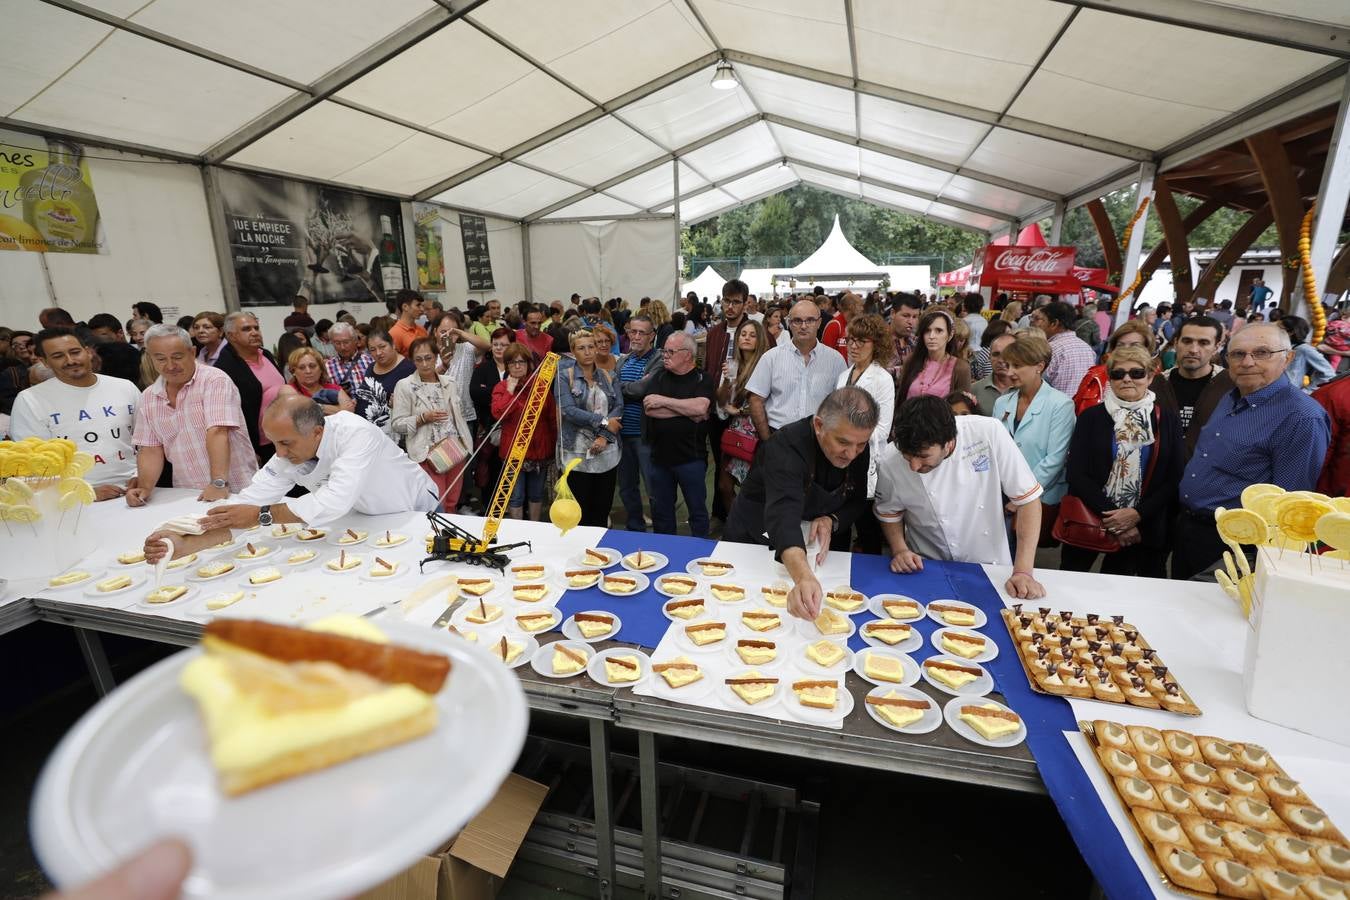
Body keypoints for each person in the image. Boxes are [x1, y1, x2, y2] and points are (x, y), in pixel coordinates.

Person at [146, 394, 437, 562]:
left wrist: (259, 515)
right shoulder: (290, 449)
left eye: (285, 443)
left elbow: (333, 501)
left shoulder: (356, 434)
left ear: (317, 433)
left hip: (414, 511)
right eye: (274, 443)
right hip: (364, 517)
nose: (279, 453)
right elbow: (247, 506)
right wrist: (185, 542)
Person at [1172, 324, 1331, 580]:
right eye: (1237, 354)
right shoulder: (1232, 396)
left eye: (1262, 353)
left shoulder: (1301, 417)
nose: (1247, 362)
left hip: (1237, 545)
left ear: (1287, 358)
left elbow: (1289, 502)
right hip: (1191, 529)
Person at [725, 388, 878, 619]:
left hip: (808, 545)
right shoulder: (786, 445)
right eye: (842, 442)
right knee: (740, 608)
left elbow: (857, 501)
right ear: (819, 425)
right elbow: (783, 515)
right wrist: (803, 577)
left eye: (861, 445)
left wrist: (831, 520)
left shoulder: (856, 446)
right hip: (756, 534)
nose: (851, 454)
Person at [875, 396, 1046, 598]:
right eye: (907, 456)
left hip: (990, 564)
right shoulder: (889, 458)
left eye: (923, 456)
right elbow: (889, 512)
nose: (914, 466)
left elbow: (1028, 500)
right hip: (926, 564)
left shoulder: (988, 432)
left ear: (948, 443)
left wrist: (1023, 571)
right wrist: (900, 550)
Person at [1061, 345, 1184, 577]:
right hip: (1089, 518)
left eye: (1136, 373)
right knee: (1071, 583)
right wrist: (1116, 519)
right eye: (1118, 374)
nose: (1127, 379)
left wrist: (1136, 516)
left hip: (1142, 525)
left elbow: (1174, 476)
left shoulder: (1166, 419)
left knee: (1120, 594)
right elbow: (1076, 473)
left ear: (1149, 377)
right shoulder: (1091, 417)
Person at [125, 325, 257, 506]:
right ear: (150, 358)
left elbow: (218, 431)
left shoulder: (214, 380)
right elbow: (150, 449)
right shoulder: (149, 396)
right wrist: (145, 488)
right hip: (187, 494)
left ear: (192, 351)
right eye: (161, 359)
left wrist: (218, 482)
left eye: (177, 357)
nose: (170, 366)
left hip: (234, 489)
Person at [9, 327, 138, 497]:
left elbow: (149, 442)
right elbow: (33, 465)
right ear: (44, 361)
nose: (70, 360)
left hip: (138, 489)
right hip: (74, 503)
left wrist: (143, 477)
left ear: (88, 352)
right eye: (58, 356)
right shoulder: (30, 400)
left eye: (75, 352)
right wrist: (83, 492)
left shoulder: (124, 387)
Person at [621, 331, 716, 537]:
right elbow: (649, 409)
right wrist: (686, 410)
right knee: (662, 512)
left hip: (691, 459)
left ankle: (701, 554)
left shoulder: (703, 379)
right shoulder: (659, 377)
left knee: (697, 511)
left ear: (687, 355)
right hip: (659, 459)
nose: (664, 355)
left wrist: (664, 401)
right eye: (664, 350)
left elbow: (701, 408)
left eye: (670, 351)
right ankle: (664, 550)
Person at [993, 332, 1074, 544]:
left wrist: (1022, 497)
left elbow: (1055, 459)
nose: (1009, 372)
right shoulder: (1002, 402)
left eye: (1017, 366)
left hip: (1036, 495)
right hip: (1000, 491)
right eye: (1008, 365)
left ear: (1039, 366)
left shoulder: (1061, 405)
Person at [746, 299, 848, 439]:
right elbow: (756, 399)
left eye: (810, 320)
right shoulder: (771, 358)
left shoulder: (836, 360)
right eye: (797, 321)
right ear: (789, 322)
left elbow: (843, 404)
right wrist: (768, 440)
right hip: (779, 435)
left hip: (821, 438)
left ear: (819, 322)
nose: (804, 326)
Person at [392, 336, 471, 512]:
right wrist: (422, 418)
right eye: (419, 359)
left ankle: (449, 535)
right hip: (427, 454)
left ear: (436, 357)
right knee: (436, 503)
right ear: (412, 361)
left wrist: (465, 443)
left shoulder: (450, 382)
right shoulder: (404, 386)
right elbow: (397, 424)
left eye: (428, 358)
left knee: (452, 501)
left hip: (455, 449)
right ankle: (435, 537)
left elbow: (459, 417)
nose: (425, 364)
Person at [556, 330, 623, 527]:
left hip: (607, 452)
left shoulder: (609, 376)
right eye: (581, 348)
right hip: (576, 453)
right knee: (578, 512)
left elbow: (618, 407)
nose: (587, 352)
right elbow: (569, 411)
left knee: (602, 510)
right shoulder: (563, 377)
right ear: (572, 351)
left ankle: (599, 554)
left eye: (591, 347)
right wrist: (603, 422)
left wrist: (604, 436)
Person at [491, 343, 557, 520]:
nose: (517, 366)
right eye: (512, 363)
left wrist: (554, 447)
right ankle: (517, 531)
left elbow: (552, 418)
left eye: (521, 362)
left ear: (529, 364)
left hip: (540, 450)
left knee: (536, 495)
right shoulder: (501, 388)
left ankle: (534, 528)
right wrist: (510, 391)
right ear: (507, 365)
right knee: (515, 497)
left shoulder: (541, 387)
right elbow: (498, 413)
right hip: (514, 452)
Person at [715, 319, 771, 515]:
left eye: (752, 335)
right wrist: (726, 383)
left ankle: (751, 530)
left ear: (760, 340)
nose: (746, 338)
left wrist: (739, 411)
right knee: (725, 486)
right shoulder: (732, 365)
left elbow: (766, 402)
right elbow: (722, 403)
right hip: (735, 431)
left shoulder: (765, 365)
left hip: (757, 432)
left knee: (753, 489)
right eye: (743, 334)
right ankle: (736, 527)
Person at [214, 311, 284, 463]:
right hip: (259, 446)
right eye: (246, 329)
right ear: (231, 336)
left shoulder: (265, 354)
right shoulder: (225, 368)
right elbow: (230, 413)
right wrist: (249, 449)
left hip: (284, 437)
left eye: (256, 328)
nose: (254, 333)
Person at [1149, 315, 1231, 444]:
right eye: (1187, 341)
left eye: (1203, 343)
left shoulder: (1231, 385)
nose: (1193, 350)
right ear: (1176, 343)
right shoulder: (1156, 384)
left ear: (1216, 347)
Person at [615, 314, 661, 532]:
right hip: (622, 435)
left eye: (642, 332)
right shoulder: (623, 360)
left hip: (645, 436)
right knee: (626, 487)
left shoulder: (658, 360)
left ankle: (662, 531)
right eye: (633, 331)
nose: (636, 336)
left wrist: (623, 388)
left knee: (654, 487)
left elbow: (644, 389)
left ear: (652, 336)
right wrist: (629, 388)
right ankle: (635, 527)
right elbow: (614, 392)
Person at [1073, 320, 1157, 415]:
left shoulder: (1158, 381)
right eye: (1120, 346)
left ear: (1148, 350)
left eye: (1134, 346)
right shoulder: (1095, 376)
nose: (1126, 350)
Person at [352, 329, 414, 442]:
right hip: (364, 433)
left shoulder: (408, 369)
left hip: (390, 437)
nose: (378, 353)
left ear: (393, 345)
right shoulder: (371, 367)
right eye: (373, 350)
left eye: (382, 347)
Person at [897, 310, 971, 401]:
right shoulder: (911, 361)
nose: (931, 336)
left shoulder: (960, 368)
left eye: (939, 331)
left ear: (950, 335)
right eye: (927, 331)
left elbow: (962, 407)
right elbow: (900, 400)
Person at [1032, 301, 1097, 396]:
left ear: (1054, 323)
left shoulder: (1051, 349)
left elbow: (1036, 382)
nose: (1039, 325)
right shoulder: (1087, 348)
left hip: (1053, 407)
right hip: (1080, 407)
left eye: (1043, 320)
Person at [288, 347, 354, 415]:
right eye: (301, 367)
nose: (308, 371)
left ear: (321, 369)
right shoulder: (289, 389)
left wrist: (317, 408)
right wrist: (339, 408)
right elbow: (300, 412)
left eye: (312, 366)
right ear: (293, 372)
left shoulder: (334, 388)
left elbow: (350, 411)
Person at [1279, 315, 1335, 393]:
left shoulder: (1304, 349)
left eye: (1278, 328)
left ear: (1291, 332)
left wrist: (1307, 391)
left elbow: (1328, 373)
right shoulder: (1281, 346)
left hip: (1287, 394)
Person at [84, 313, 143, 385]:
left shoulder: (142, 357)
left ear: (120, 333)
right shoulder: (98, 359)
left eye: (103, 336)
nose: (99, 342)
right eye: (94, 339)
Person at [324, 322, 373, 399]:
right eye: (337, 343)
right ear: (332, 343)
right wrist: (337, 393)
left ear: (355, 340)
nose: (342, 347)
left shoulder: (370, 360)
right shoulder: (327, 366)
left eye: (346, 342)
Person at [971, 331, 1015, 416]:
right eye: (996, 354)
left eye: (1008, 353)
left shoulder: (1027, 389)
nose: (1001, 360)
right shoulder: (974, 390)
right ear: (989, 357)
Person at [821, 292, 862, 359]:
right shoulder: (834, 325)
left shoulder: (854, 325)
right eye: (860, 305)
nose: (862, 309)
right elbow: (826, 354)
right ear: (851, 306)